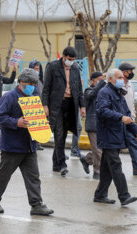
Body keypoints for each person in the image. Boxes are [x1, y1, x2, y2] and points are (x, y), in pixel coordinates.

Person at [0, 68, 54, 216]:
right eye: (29, 83)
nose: (32, 86)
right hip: (12, 146)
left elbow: (36, 119)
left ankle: (36, 204)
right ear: (20, 82)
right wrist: (16, 122)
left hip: (29, 146)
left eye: (34, 84)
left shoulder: (34, 97)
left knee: (33, 178)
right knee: (4, 175)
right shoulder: (9, 97)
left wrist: (42, 124)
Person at [94, 68, 137, 206]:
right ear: (110, 79)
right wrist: (120, 117)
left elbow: (127, 114)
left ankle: (100, 195)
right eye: (119, 77)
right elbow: (102, 111)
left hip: (116, 135)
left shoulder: (119, 93)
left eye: (122, 78)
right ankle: (124, 196)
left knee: (107, 168)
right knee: (116, 166)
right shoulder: (104, 93)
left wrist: (136, 130)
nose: (122, 80)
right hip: (108, 135)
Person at [42, 46, 87, 176]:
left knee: (65, 133)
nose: (71, 61)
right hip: (57, 105)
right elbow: (46, 88)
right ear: (63, 56)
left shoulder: (75, 68)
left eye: (73, 59)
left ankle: (56, 164)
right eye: (69, 59)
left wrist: (82, 106)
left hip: (70, 104)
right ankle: (62, 164)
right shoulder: (52, 66)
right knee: (59, 133)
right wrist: (45, 105)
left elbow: (79, 89)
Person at [84, 71, 106, 180]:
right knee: (97, 149)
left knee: (102, 149)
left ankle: (87, 159)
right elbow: (91, 95)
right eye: (99, 79)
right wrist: (102, 83)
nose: (101, 82)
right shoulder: (88, 90)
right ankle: (97, 172)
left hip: (103, 124)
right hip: (92, 124)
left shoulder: (103, 91)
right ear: (93, 80)